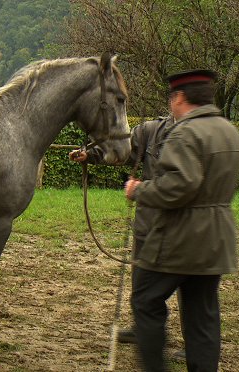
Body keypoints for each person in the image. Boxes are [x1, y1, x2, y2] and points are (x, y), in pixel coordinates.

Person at [124, 69, 239, 371]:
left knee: (145, 300)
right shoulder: (229, 131)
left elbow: (180, 185)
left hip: (181, 238)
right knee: (202, 315)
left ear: (179, 97)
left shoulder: (185, 133)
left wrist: (140, 189)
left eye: (172, 98)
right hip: (216, 239)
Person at [70, 115, 177, 346]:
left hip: (182, 226)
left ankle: (195, 343)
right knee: (142, 280)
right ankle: (145, 328)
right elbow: (123, 149)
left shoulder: (200, 133)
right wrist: (91, 155)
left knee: (191, 289)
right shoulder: (151, 131)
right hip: (148, 222)